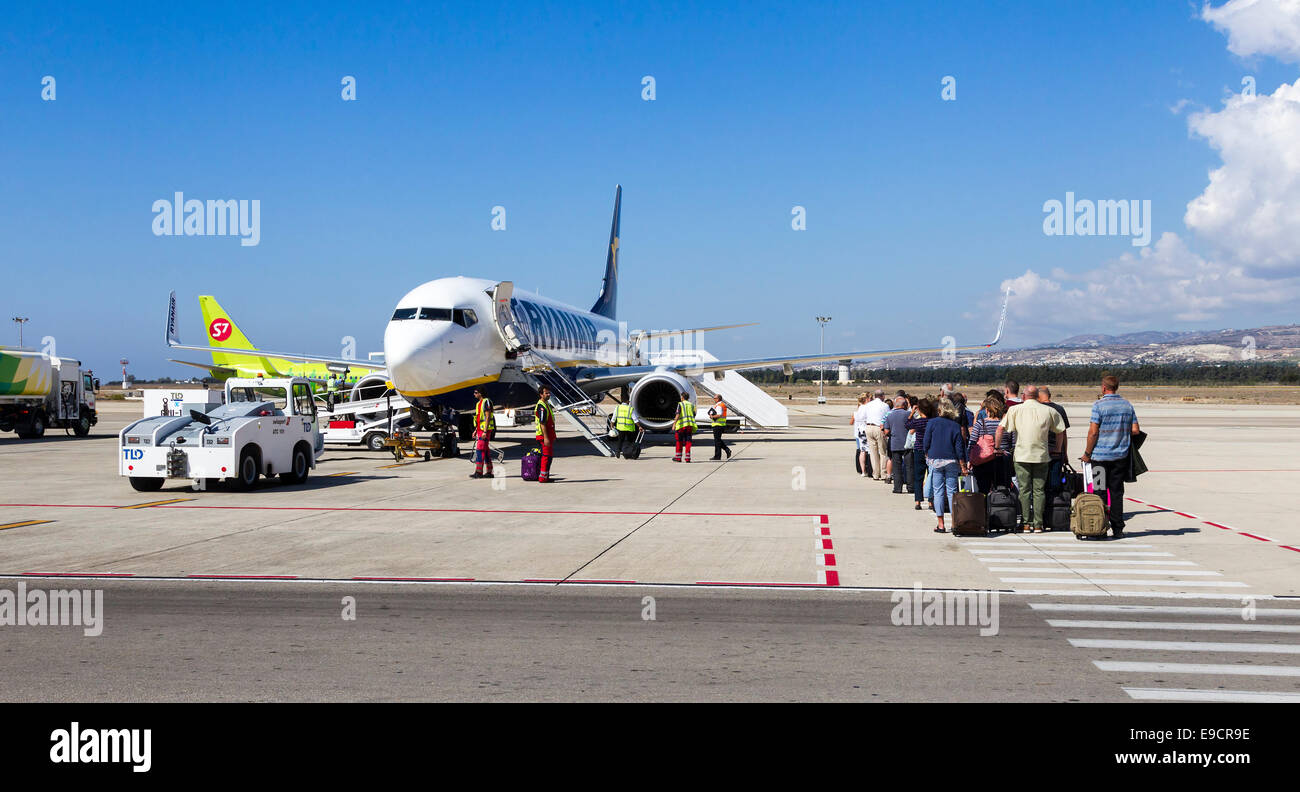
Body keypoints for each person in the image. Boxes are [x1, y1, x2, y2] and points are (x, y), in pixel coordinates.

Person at [995, 385, 1065, 533]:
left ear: (1024, 396)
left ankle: (1026, 523)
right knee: (1039, 491)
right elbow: (1061, 430)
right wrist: (1058, 449)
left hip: (1022, 456)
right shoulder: (1049, 410)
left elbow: (1000, 429)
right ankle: (1038, 524)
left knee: (1024, 490)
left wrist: (997, 447)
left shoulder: (1015, 410)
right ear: (1038, 396)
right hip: (1041, 456)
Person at [1082, 374, 1140, 537]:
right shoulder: (1127, 405)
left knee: (1099, 491)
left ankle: (1099, 527)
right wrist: (1119, 431)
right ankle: (1118, 528)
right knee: (1116, 493)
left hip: (1100, 457)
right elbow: (1135, 430)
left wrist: (1087, 453)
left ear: (1104, 387)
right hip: (1120, 457)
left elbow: (1093, 432)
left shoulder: (1099, 405)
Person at [925, 398, 969, 533]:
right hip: (951, 460)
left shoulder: (932, 423)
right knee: (951, 492)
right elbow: (959, 447)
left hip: (936, 459)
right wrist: (962, 464)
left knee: (938, 491)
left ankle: (941, 524)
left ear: (939, 410)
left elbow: (926, 441)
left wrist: (927, 453)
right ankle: (954, 523)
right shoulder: (955, 425)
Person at [968, 396, 1011, 494]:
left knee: (983, 490)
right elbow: (1013, 443)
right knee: (1002, 490)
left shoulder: (980, 423)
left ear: (987, 410)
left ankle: (985, 507)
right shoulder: (1006, 424)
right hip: (1003, 460)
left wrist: (970, 459)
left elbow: (972, 442)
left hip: (983, 462)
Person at [1037, 385, 1070, 495]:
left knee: (1040, 484)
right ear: (1049, 395)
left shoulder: (1038, 410)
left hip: (1041, 451)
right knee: (1055, 483)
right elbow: (1063, 433)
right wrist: (1064, 452)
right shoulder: (1059, 409)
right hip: (1057, 451)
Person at [906, 398, 936, 511]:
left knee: (918, 476)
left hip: (919, 449)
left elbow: (907, 425)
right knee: (931, 476)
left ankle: (918, 501)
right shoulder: (932, 421)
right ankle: (930, 501)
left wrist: (912, 412)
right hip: (931, 450)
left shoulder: (918, 421)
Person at [854, 389, 890, 481]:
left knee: (873, 453)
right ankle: (883, 473)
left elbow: (862, 417)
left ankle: (875, 474)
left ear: (875, 396)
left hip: (869, 427)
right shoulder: (885, 405)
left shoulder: (868, 405)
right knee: (882, 452)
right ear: (882, 396)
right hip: (879, 428)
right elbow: (888, 417)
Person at [884, 396, 912, 494]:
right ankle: (910, 487)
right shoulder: (908, 414)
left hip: (895, 443)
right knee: (909, 466)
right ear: (904, 405)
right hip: (907, 444)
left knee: (896, 466)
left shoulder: (889, 415)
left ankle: (897, 487)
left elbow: (886, 431)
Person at [469, 387, 495, 478]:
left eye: (476, 392)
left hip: (485, 430)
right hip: (480, 430)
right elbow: (479, 419)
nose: (474, 394)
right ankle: (489, 472)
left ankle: (478, 472)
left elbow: (487, 417)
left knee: (479, 450)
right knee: (486, 451)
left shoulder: (486, 402)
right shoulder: (478, 404)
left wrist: (484, 431)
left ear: (480, 393)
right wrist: (476, 430)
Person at [534, 385, 557, 483]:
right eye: (546, 393)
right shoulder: (541, 406)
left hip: (548, 435)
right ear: (541, 394)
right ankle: (543, 477)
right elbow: (542, 423)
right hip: (543, 436)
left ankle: (545, 476)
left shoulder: (546, 404)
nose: (548, 394)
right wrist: (546, 438)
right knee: (546, 457)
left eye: (549, 393)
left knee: (549, 457)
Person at [672, 391, 697, 462]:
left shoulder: (680, 404)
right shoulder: (691, 405)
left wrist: (674, 424)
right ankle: (687, 458)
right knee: (688, 442)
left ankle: (678, 457)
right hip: (689, 425)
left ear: (682, 397)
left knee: (679, 441)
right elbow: (694, 414)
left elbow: (677, 414)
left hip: (681, 426)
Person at [708, 394, 732, 460]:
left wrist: (712, 416)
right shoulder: (721, 405)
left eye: (714, 398)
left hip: (718, 425)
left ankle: (718, 455)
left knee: (717, 441)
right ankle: (725, 451)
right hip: (720, 425)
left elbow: (719, 415)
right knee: (718, 440)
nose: (714, 399)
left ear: (718, 399)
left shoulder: (719, 405)